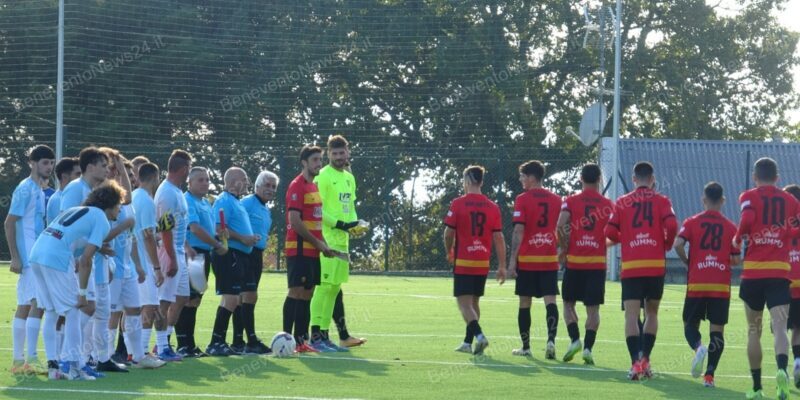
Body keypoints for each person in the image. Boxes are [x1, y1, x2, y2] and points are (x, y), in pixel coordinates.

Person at [30, 182, 124, 380]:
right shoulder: (101, 218)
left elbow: (74, 241)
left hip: (37, 254)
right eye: (118, 204)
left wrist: (99, 249)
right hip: (56, 257)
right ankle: (74, 366)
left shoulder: (78, 209)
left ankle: (54, 367)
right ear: (109, 204)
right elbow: (86, 259)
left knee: (52, 311)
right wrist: (82, 293)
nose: (120, 208)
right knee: (74, 310)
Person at [605, 161, 677, 381]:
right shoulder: (662, 200)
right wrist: (667, 243)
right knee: (652, 313)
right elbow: (673, 226)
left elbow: (609, 230)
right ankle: (645, 359)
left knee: (631, 316)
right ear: (652, 179)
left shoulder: (622, 202)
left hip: (632, 266)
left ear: (634, 179)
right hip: (655, 265)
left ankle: (635, 364)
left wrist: (624, 238)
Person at [734, 158, 799, 400]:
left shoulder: (747, 196)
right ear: (777, 176)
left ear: (755, 176)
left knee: (754, 331)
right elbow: (796, 227)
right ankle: (782, 370)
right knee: (780, 328)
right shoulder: (790, 200)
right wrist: (786, 233)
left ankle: (756, 387)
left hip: (753, 272)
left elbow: (748, 220)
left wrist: (739, 237)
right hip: (779, 273)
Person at [673, 182, 740, 388]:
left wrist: (687, 261)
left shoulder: (692, 222)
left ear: (703, 200)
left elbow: (677, 244)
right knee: (717, 331)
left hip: (698, 282)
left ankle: (698, 347)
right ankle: (709, 376)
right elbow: (737, 259)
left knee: (689, 324)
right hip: (720, 285)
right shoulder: (731, 227)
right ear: (722, 201)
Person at [310, 135, 367, 352]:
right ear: (328, 154)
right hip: (325, 241)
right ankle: (315, 335)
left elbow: (350, 208)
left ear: (348, 152)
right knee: (323, 288)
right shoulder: (323, 177)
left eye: (342, 153)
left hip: (342, 242)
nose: (339, 157)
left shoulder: (349, 178)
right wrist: (341, 224)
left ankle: (325, 337)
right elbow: (318, 211)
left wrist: (355, 226)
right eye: (334, 154)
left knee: (334, 288)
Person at [4, 145, 55, 375]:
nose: (49, 167)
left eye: (51, 163)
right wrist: (15, 256)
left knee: (28, 305)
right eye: (45, 163)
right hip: (28, 258)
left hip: (36, 257)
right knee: (36, 305)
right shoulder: (25, 189)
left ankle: (20, 361)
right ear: (32, 163)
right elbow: (9, 222)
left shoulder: (39, 189)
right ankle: (28, 360)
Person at [445, 165, 506, 355]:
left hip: (464, 261)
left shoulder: (458, 203)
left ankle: (480, 336)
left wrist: (449, 250)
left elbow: (448, 233)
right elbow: (499, 238)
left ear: (467, 180)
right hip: (482, 262)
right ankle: (467, 342)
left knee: (464, 304)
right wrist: (502, 265)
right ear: (481, 181)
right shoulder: (493, 207)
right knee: (474, 303)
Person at [556, 163, 613, 365]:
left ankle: (574, 340)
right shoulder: (608, 204)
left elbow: (560, 226)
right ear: (599, 179)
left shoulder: (570, 201)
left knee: (568, 304)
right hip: (597, 265)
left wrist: (564, 248)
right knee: (593, 310)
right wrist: (603, 243)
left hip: (575, 263)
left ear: (581, 178)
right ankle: (588, 348)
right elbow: (616, 233)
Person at [282, 145, 338, 353]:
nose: (319, 163)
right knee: (296, 292)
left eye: (320, 159)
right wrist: (319, 244)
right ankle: (285, 339)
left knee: (308, 294)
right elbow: (295, 221)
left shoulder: (314, 186)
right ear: (304, 162)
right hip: (298, 250)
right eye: (315, 160)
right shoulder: (297, 185)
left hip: (313, 251)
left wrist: (324, 244)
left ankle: (300, 341)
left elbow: (316, 220)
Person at [508, 160, 562, 359]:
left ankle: (526, 346)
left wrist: (512, 261)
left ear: (531, 177)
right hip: (548, 259)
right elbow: (564, 229)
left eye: (523, 176)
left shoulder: (522, 199)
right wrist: (561, 249)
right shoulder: (557, 200)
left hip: (528, 260)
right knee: (551, 301)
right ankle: (550, 341)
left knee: (524, 303)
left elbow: (518, 230)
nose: (521, 179)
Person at [206, 167, 256, 356]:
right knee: (231, 298)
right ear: (236, 181)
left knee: (233, 299)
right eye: (244, 179)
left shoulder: (236, 201)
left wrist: (249, 238)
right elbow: (219, 227)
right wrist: (242, 238)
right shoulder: (224, 200)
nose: (246, 183)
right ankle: (215, 342)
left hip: (239, 255)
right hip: (229, 255)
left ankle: (219, 341)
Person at [177, 167, 226, 357]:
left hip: (203, 254)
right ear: (189, 182)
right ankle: (183, 344)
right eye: (200, 180)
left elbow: (206, 229)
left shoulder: (205, 203)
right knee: (187, 298)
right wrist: (216, 244)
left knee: (195, 299)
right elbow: (195, 229)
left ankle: (190, 344)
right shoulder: (188, 200)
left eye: (206, 180)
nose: (205, 183)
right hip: (192, 254)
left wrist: (218, 236)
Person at [153, 150, 193, 361]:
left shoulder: (177, 191)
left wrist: (184, 248)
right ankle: (160, 347)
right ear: (184, 169)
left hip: (178, 251)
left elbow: (179, 224)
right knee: (164, 300)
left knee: (182, 297)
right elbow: (165, 229)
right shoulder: (167, 192)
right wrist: (171, 258)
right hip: (169, 253)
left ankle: (164, 341)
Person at [235, 170, 279, 354]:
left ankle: (238, 341)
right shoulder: (246, 203)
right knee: (248, 296)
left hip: (257, 255)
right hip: (244, 254)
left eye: (273, 187)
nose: (270, 189)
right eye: (267, 185)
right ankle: (251, 340)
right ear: (257, 186)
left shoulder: (266, 209)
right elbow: (232, 220)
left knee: (243, 298)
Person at [132, 163, 166, 361]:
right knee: (149, 306)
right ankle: (141, 351)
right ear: (155, 177)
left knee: (135, 308)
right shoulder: (145, 201)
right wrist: (156, 267)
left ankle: (133, 351)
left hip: (135, 260)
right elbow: (146, 236)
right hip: (144, 262)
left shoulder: (135, 197)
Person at [784, 184, 800, 388]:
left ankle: (782, 367)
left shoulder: (779, 222)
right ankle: (798, 360)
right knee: (799, 328)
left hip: (782, 283)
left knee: (780, 330)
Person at [46, 157, 81, 225]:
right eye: (78, 174)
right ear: (64, 177)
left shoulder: (70, 196)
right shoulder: (57, 200)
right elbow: (66, 227)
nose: (81, 178)